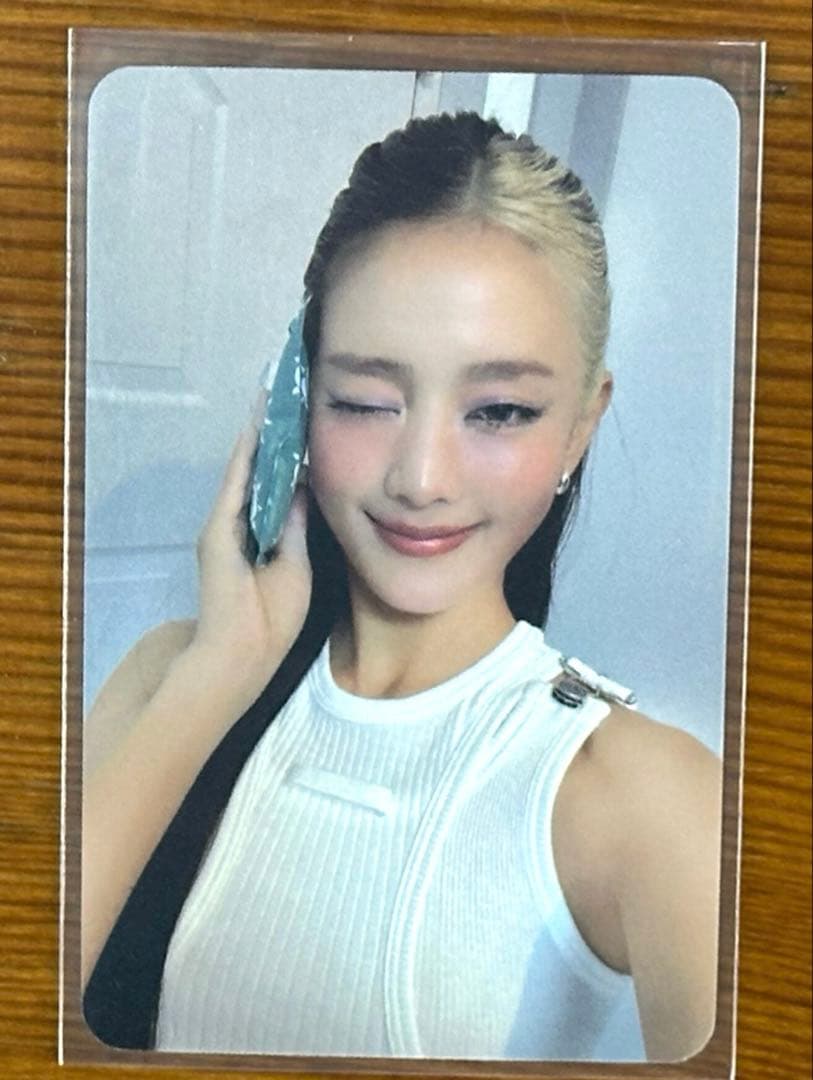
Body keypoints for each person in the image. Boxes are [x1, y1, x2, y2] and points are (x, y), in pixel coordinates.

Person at [81, 111, 721, 1063]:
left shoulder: (646, 794)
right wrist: (221, 671)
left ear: (581, 428)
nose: (421, 478)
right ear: (294, 401)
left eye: (498, 410)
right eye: (364, 401)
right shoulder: (169, 676)